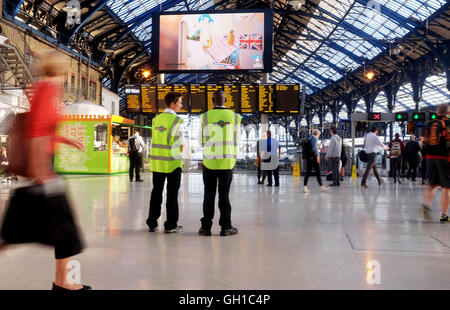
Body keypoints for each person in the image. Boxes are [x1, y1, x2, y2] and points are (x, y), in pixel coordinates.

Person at [0, 52, 89, 290]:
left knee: (53, 229)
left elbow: (43, 127)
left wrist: (66, 140)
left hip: (43, 167)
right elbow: (38, 132)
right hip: (43, 169)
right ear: (60, 71)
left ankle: (62, 281)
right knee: (65, 228)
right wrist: (41, 172)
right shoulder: (48, 88)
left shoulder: (44, 89)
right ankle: (62, 282)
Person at [198, 89, 241, 236]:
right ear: (226, 101)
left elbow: (200, 141)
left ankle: (206, 228)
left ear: (212, 100)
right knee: (224, 196)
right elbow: (237, 140)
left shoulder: (205, 117)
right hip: (227, 163)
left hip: (210, 163)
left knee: (208, 195)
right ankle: (226, 227)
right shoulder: (235, 117)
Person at [146, 92, 185, 233]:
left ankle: (152, 222)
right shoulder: (177, 121)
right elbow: (180, 144)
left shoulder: (156, 120)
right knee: (172, 194)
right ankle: (171, 225)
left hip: (157, 162)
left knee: (156, 192)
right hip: (173, 163)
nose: (181, 105)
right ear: (172, 104)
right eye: (180, 102)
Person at [422, 103, 450, 223]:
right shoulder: (448, 123)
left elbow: (422, 141)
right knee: (446, 187)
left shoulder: (429, 124)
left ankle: (426, 203)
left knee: (433, 183)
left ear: (437, 112)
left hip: (430, 157)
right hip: (444, 157)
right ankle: (444, 215)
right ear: (448, 112)